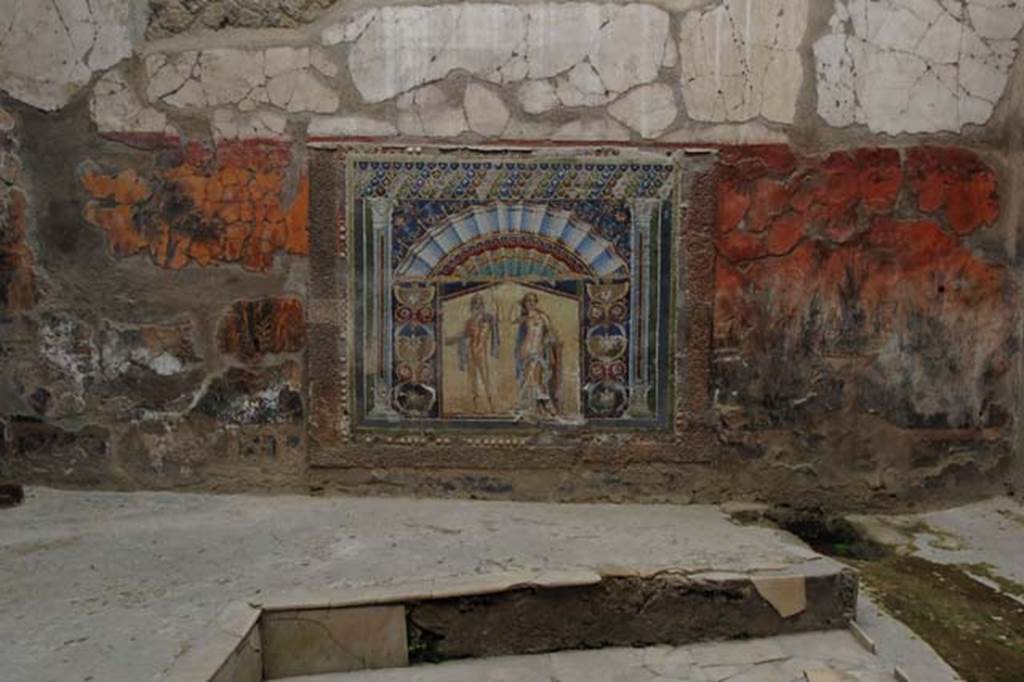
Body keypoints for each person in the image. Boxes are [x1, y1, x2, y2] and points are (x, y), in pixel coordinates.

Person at [450, 293, 500, 413]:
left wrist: (496, 303)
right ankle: (476, 407)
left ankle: (491, 405)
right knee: (473, 379)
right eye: (475, 304)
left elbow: (495, 329)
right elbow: (464, 335)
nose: (477, 307)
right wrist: (452, 340)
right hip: (470, 351)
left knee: (485, 378)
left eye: (479, 304)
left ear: (482, 305)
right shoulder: (470, 322)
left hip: (482, 352)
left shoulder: (488, 319)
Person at [515, 292, 561, 418]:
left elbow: (551, 333)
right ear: (525, 304)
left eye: (533, 301)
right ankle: (533, 409)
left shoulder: (542, 317)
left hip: (538, 352)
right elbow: (519, 337)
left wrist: (547, 342)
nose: (530, 303)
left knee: (537, 379)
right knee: (528, 380)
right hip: (526, 352)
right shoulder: (523, 319)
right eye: (528, 301)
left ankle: (547, 407)